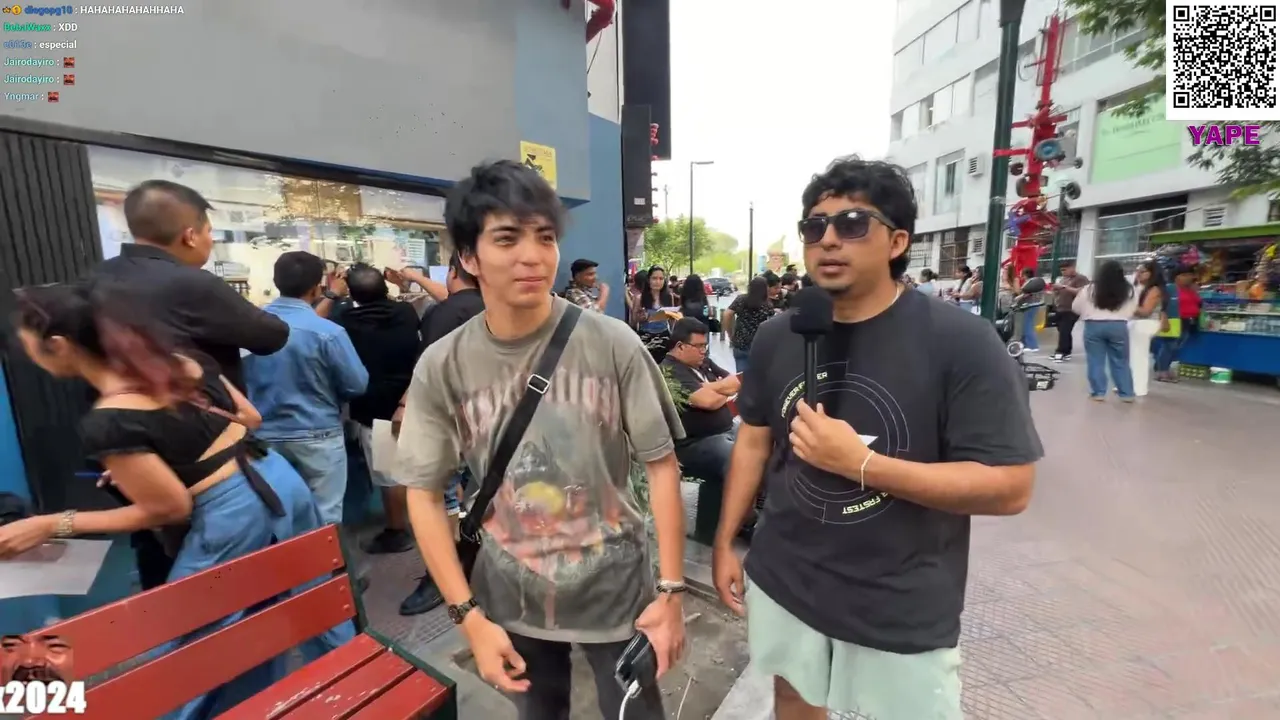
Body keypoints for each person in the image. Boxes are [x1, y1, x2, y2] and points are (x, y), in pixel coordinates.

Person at [711, 157, 1042, 720]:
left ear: (897, 241)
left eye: (853, 223)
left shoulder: (962, 341)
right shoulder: (777, 336)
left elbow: (1011, 488)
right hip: (786, 577)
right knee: (792, 698)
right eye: (815, 227)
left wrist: (862, 464)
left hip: (899, 600)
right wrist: (725, 541)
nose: (828, 239)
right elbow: (754, 442)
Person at [394, 160, 686, 720]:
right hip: (513, 597)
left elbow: (662, 465)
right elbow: (424, 495)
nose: (533, 255)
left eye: (545, 237)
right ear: (469, 257)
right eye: (507, 238)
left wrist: (671, 593)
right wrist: (468, 618)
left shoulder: (613, 343)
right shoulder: (443, 364)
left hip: (617, 591)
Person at [0, 283, 354, 719]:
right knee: (310, 605)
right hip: (278, 477)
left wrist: (51, 524)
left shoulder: (110, 420)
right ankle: (352, 688)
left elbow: (169, 509)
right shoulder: (183, 362)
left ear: (58, 344)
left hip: (234, 511)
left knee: (183, 651)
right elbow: (249, 418)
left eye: (27, 347)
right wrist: (164, 466)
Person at [94, 179, 290, 591]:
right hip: (206, 453)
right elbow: (271, 335)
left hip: (131, 451)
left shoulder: (94, 280)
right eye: (208, 232)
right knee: (227, 577)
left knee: (158, 552)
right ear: (190, 235)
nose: (210, 241)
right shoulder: (190, 284)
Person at [243, 251, 369, 527]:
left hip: (263, 435)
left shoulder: (247, 328)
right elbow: (357, 384)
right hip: (318, 433)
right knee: (324, 517)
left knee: (275, 513)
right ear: (316, 287)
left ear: (276, 281)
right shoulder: (328, 332)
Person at [394, 252, 486, 616]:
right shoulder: (492, 307)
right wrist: (416, 278)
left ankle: (443, 574)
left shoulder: (444, 314)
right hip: (489, 419)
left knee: (438, 494)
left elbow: (427, 370)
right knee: (473, 488)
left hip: (450, 417)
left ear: (452, 271)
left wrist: (405, 406)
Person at [336, 265, 421, 556]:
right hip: (411, 400)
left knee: (389, 474)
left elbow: (315, 322)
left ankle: (397, 530)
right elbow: (407, 305)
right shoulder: (405, 313)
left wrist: (333, 294)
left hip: (376, 409)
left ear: (351, 292)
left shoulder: (346, 320)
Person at [661, 318, 740, 482]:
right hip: (697, 442)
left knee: (761, 438)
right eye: (699, 346)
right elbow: (708, 402)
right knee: (741, 459)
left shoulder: (704, 363)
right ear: (680, 346)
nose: (703, 351)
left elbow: (735, 383)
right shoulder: (670, 371)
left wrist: (709, 387)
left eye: (705, 345)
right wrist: (722, 388)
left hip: (727, 429)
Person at [1073, 259, 1137, 402]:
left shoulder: (1089, 289)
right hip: (1119, 326)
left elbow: (1075, 307)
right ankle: (1126, 393)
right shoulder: (1129, 290)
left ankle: (1098, 393)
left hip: (1093, 326)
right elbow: (1133, 309)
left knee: (1095, 360)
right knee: (1121, 360)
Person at [1155, 265, 1201, 382]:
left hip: (1188, 321)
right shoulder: (1170, 289)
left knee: (1177, 348)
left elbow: (1198, 303)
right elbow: (1161, 304)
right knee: (1169, 346)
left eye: (1190, 275)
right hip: (1173, 321)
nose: (1188, 277)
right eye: (1184, 275)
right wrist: (1163, 317)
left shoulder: (1191, 290)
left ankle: (1166, 369)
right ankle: (1162, 372)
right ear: (1176, 277)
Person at [1129, 260, 1168, 397]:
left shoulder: (1154, 290)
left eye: (1143, 271)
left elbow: (1146, 311)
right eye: (1137, 271)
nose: (1138, 274)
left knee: (1139, 356)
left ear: (1152, 273)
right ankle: (1130, 384)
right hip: (1139, 323)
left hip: (1145, 324)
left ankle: (1139, 387)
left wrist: (1126, 305)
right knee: (1134, 355)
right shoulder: (1140, 288)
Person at [723, 276, 773, 373]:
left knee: (742, 376)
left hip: (741, 343)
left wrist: (730, 333)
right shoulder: (767, 305)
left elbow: (727, 314)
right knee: (758, 375)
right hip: (759, 345)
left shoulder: (741, 299)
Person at [1051, 260, 1088, 362]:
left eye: (1065, 270)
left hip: (1072, 309)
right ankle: (1066, 351)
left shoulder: (1080, 279)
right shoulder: (1063, 279)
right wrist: (1056, 291)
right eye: (1061, 270)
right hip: (1061, 308)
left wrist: (1063, 287)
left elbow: (1082, 292)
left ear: (1072, 267)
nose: (1063, 272)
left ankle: (1061, 352)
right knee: (1063, 330)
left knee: (1065, 330)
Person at [631, 265, 677, 339]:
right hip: (645, 336)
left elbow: (672, 319)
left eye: (661, 278)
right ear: (648, 280)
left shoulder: (669, 297)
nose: (658, 282)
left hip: (664, 336)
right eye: (654, 278)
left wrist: (673, 335)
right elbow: (633, 322)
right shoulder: (640, 298)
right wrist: (640, 317)